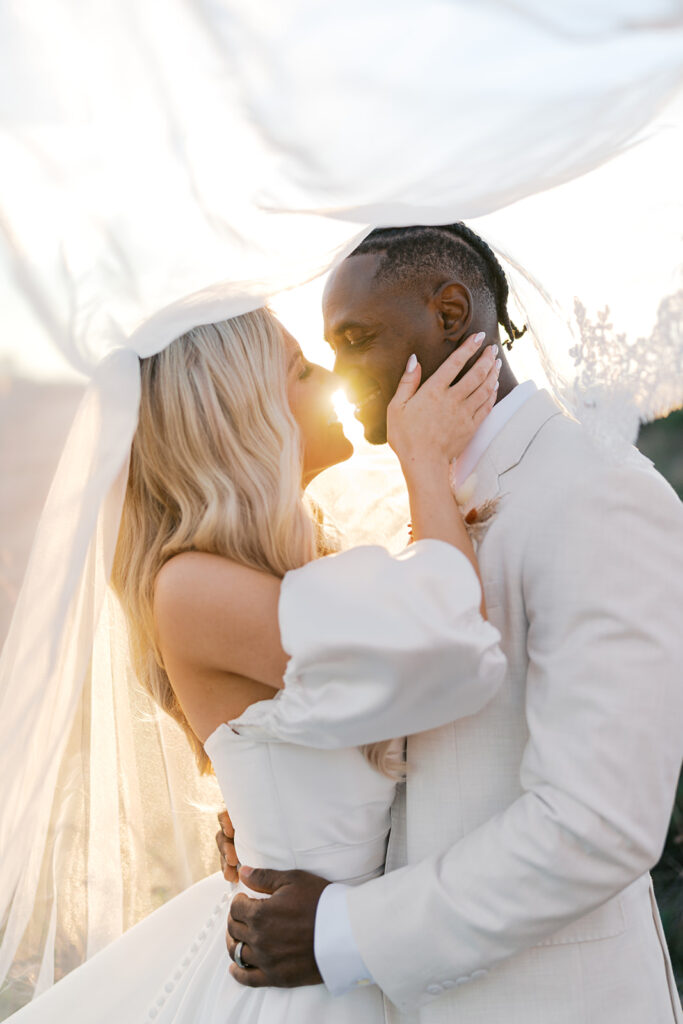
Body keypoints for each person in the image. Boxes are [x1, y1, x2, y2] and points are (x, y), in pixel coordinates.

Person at [226, 224, 683, 1024]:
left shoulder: (597, 491)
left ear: (447, 314)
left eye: (355, 339)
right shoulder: (409, 504)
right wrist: (286, 815)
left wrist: (343, 932)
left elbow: (598, 823)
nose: (340, 373)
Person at [7, 305, 506, 1023]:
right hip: (307, 985)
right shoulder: (189, 588)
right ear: (238, 415)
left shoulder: (292, 572)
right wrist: (423, 461)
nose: (332, 377)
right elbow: (452, 645)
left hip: (359, 951)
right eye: (300, 370)